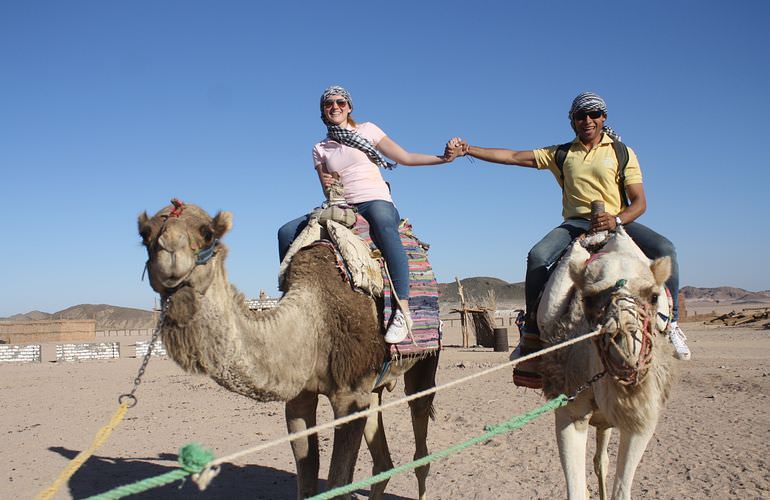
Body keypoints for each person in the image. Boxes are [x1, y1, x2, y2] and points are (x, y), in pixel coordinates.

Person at [448, 92, 690, 386]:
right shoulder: (562, 154)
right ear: (572, 121)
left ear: (603, 118)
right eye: (580, 116)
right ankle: (532, 332)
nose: (587, 120)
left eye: (594, 114)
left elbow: (639, 202)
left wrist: (616, 219)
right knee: (537, 256)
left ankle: (673, 323)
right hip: (576, 224)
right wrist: (469, 150)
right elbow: (513, 156)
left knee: (666, 249)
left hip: (616, 222)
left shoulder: (622, 152)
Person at [278, 85, 458, 344]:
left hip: (374, 199)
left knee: (385, 227)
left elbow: (404, 157)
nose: (335, 107)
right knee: (286, 232)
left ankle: (402, 310)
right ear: (323, 111)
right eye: (329, 104)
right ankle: (291, 303)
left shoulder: (367, 130)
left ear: (349, 106)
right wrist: (332, 190)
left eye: (340, 102)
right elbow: (327, 186)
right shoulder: (320, 148)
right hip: (343, 205)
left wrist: (444, 158)